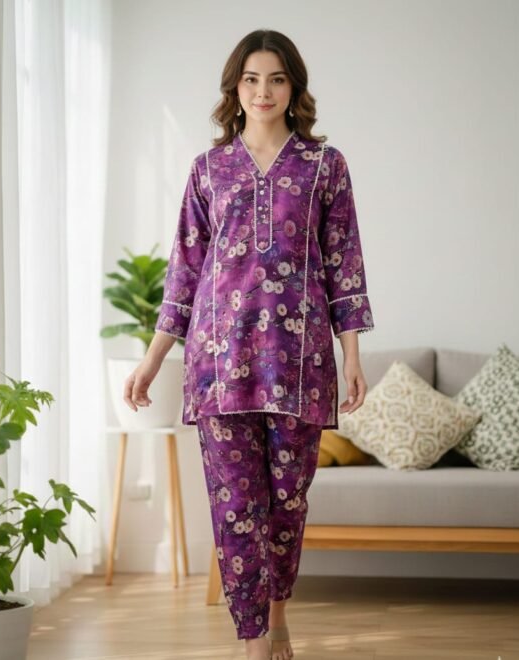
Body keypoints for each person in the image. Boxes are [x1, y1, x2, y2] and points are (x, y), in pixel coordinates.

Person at [124, 28, 375, 660]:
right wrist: (152, 361)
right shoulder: (207, 170)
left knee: (287, 505)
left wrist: (351, 356)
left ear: (294, 88)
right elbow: (185, 271)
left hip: (300, 365)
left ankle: (278, 616)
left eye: (277, 79)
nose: (264, 92)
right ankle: (254, 641)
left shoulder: (325, 165)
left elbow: (344, 264)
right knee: (235, 509)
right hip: (219, 365)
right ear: (235, 88)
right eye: (252, 79)